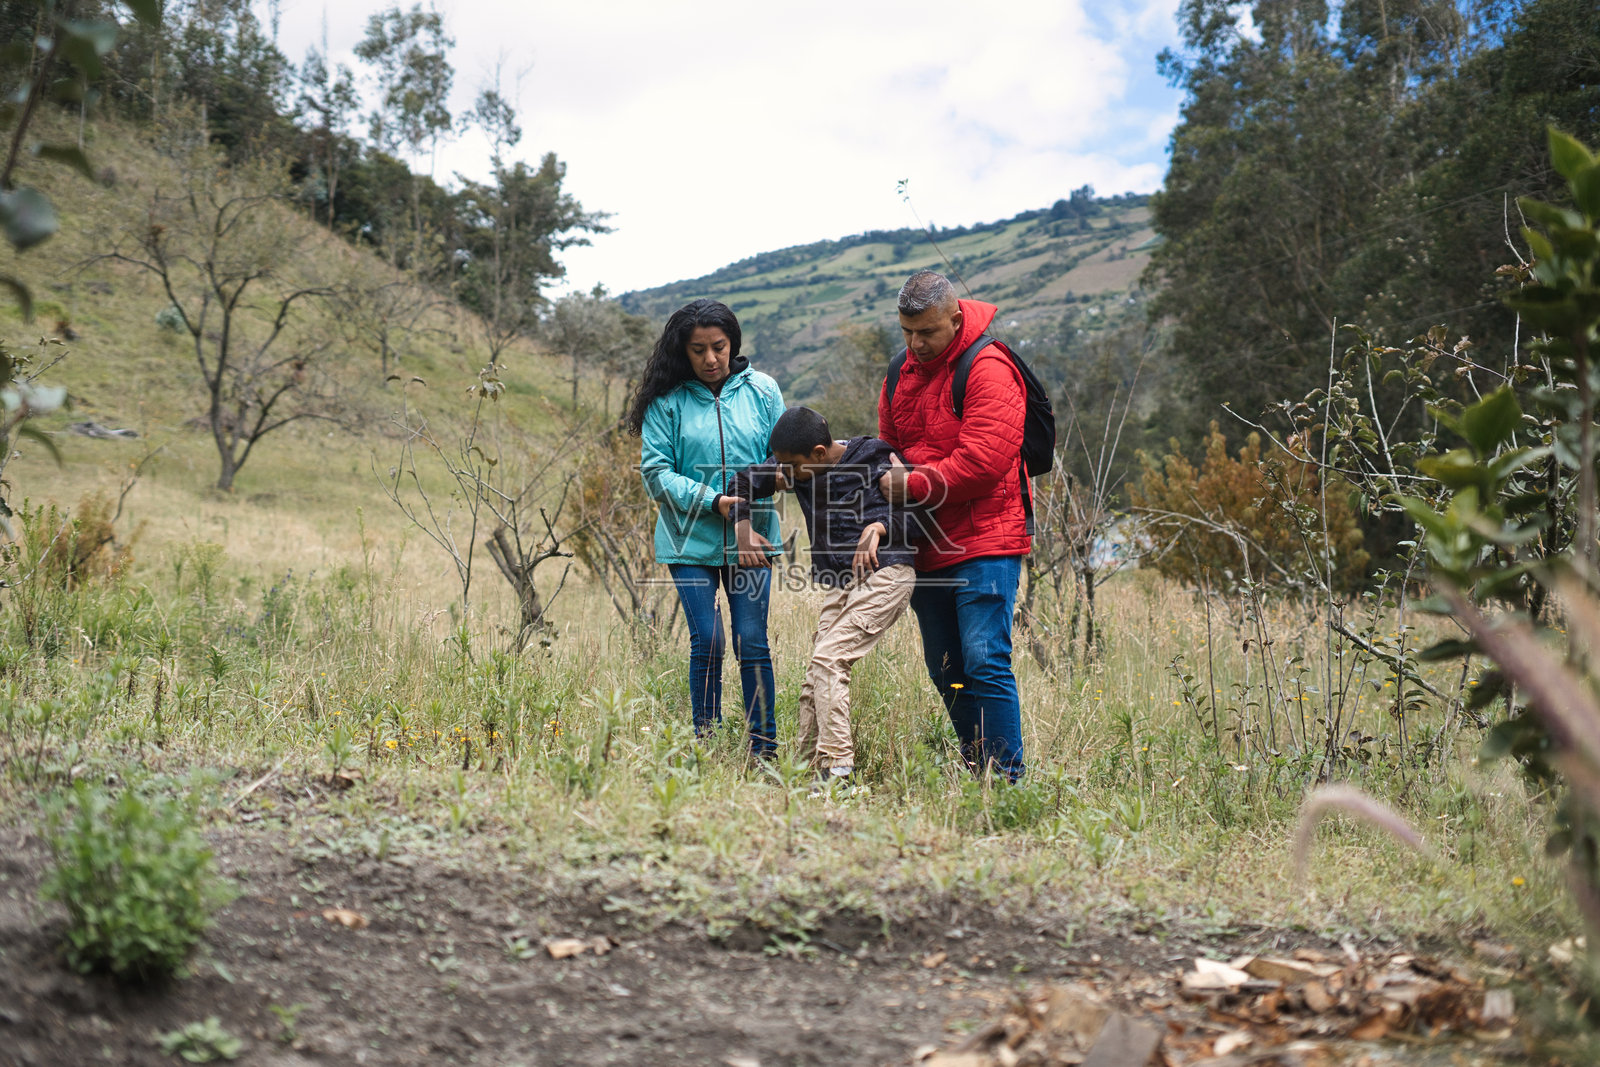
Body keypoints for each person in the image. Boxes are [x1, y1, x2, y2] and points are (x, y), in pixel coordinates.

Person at [877, 271, 1029, 780]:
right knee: (947, 670)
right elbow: (887, 449)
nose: (915, 344)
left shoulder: (988, 367)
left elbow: (983, 462)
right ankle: (978, 771)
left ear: (956, 319)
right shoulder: (901, 371)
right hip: (928, 542)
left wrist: (911, 485)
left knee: (985, 660)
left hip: (988, 538)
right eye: (906, 332)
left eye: (927, 332)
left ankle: (1007, 782)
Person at [724, 406, 919, 789]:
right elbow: (742, 482)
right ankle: (807, 772)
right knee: (816, 674)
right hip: (840, 583)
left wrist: (879, 527)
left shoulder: (875, 456)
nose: (786, 475)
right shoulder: (798, 468)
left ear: (817, 453)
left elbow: (919, 513)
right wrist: (742, 529)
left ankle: (838, 768)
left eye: (792, 467)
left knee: (830, 659)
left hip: (888, 574)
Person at [627, 298, 784, 757]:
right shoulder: (667, 401)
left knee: (752, 640)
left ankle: (764, 750)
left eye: (718, 347)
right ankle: (707, 744)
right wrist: (714, 501)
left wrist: (748, 493)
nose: (710, 359)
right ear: (683, 351)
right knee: (710, 640)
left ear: (733, 342)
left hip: (753, 539)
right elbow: (656, 472)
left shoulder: (764, 390)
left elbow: (783, 458)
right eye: (698, 350)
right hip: (687, 541)